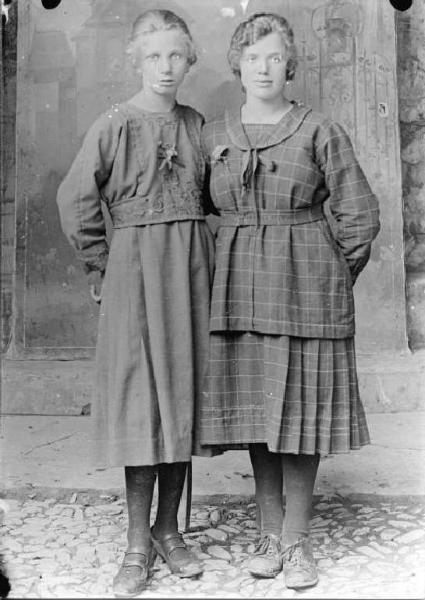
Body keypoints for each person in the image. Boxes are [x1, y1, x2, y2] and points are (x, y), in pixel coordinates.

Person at [200, 12, 380, 590]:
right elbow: (198, 213)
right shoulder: (214, 134)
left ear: (290, 64)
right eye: (252, 57)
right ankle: (268, 532)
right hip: (236, 291)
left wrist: (327, 276)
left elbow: (359, 216)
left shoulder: (319, 129)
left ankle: (298, 543)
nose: (263, 68)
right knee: (259, 411)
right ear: (238, 64)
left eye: (274, 57)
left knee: (299, 415)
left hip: (305, 289)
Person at [57, 9, 216, 598]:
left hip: (191, 272)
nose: (166, 67)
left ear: (190, 58)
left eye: (176, 55)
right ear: (135, 59)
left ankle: (169, 530)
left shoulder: (199, 124)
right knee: (140, 400)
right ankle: (134, 542)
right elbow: (75, 197)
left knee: (180, 396)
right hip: (133, 271)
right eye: (154, 56)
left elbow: (218, 194)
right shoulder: (114, 124)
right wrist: (100, 263)